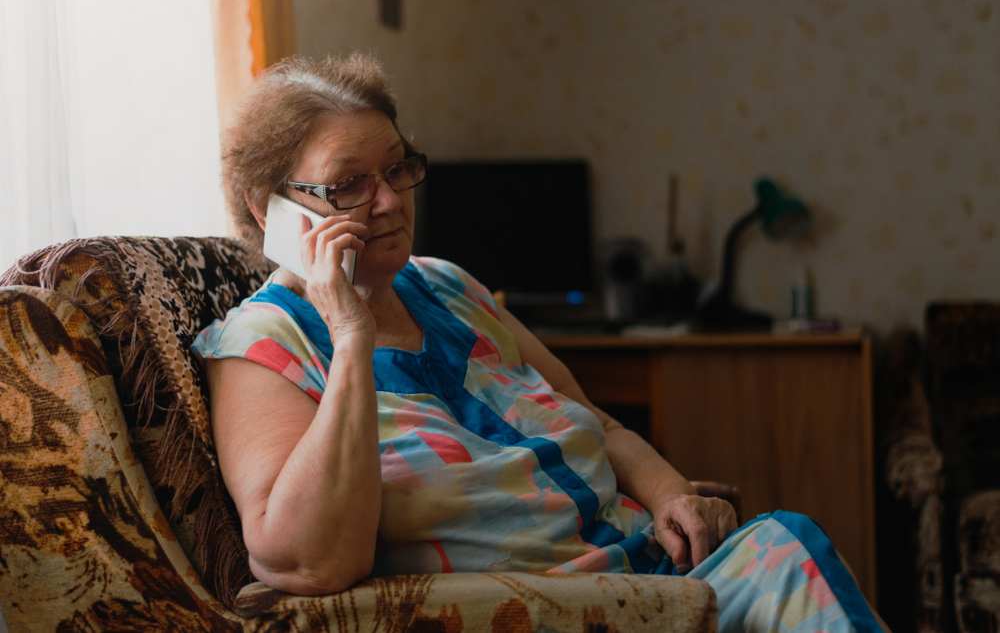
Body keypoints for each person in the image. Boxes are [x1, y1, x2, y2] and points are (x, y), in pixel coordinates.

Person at [193, 54, 885, 633]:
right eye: (350, 184)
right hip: (553, 609)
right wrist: (349, 334)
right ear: (269, 208)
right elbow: (306, 563)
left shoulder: (447, 287)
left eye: (399, 169)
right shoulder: (262, 344)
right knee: (790, 557)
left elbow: (601, 423)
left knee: (790, 548)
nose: (391, 201)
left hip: (651, 571)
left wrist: (674, 494)